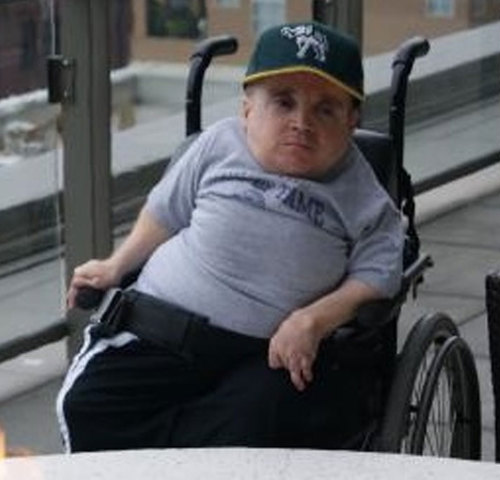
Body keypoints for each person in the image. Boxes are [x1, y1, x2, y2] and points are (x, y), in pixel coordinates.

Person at [56, 21, 403, 453]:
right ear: (247, 109)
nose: (301, 123)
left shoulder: (363, 193)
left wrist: (312, 321)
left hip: (262, 356)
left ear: (352, 121)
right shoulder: (219, 144)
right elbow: (165, 212)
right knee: (85, 405)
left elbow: (380, 271)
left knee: (241, 441)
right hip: (160, 330)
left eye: (325, 109)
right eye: (283, 102)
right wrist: (115, 265)